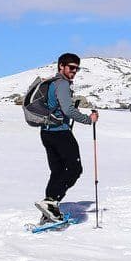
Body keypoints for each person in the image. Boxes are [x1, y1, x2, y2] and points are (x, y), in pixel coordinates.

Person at [35, 52, 100, 225]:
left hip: (46, 132)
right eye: (71, 67)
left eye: (77, 68)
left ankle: (48, 211)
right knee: (74, 169)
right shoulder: (62, 84)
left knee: (57, 171)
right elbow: (68, 110)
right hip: (60, 133)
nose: (74, 71)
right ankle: (51, 202)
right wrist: (89, 119)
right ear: (61, 66)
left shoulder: (51, 83)